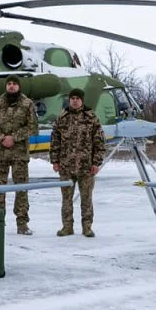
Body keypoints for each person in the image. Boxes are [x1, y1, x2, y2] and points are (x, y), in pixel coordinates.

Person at [0, 75, 39, 235]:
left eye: (15, 83)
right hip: (0, 153)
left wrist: (13, 138)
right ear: (6, 86)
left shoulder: (27, 103)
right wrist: (1, 137)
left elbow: (33, 127)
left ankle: (22, 224)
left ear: (19, 86)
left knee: (21, 189)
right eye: (9, 83)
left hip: (19, 154)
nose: (12, 86)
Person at [50, 88, 106, 238]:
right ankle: (67, 227)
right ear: (69, 100)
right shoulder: (62, 118)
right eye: (72, 98)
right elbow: (55, 140)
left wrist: (96, 162)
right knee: (66, 199)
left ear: (82, 100)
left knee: (86, 198)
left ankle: (87, 227)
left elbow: (99, 143)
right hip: (66, 166)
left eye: (77, 98)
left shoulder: (91, 118)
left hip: (86, 166)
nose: (75, 101)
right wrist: (55, 161)